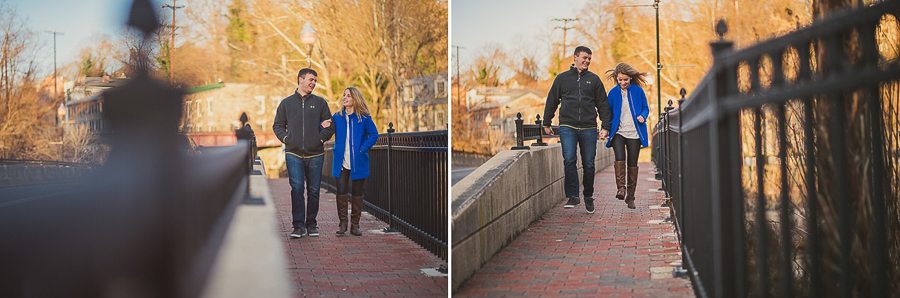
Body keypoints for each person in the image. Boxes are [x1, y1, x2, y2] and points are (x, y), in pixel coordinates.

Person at [542, 46, 613, 214]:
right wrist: (546, 122)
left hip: (589, 127)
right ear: (575, 57)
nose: (587, 61)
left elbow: (602, 104)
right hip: (568, 126)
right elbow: (552, 100)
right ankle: (573, 196)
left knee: (589, 164)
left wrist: (605, 127)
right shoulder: (562, 79)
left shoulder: (594, 80)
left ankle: (588, 196)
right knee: (569, 159)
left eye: (589, 58)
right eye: (584, 57)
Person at [273, 68, 334, 238]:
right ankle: (298, 226)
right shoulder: (286, 103)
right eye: (311, 80)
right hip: (293, 153)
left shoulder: (321, 103)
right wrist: (286, 139)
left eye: (315, 81)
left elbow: (330, 126)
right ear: (301, 79)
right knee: (297, 189)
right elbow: (277, 125)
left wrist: (319, 140)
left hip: (316, 154)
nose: (313, 83)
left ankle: (311, 224)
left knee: (314, 191)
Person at [321, 87, 378, 236]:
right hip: (341, 161)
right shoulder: (337, 116)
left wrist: (362, 149)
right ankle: (343, 224)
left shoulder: (364, 118)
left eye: (348, 96)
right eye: (344, 95)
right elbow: (328, 129)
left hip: (358, 161)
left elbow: (374, 134)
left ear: (355, 99)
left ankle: (355, 225)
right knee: (341, 192)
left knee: (357, 193)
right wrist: (322, 125)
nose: (344, 98)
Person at [604, 62, 650, 209]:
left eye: (625, 79)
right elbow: (607, 113)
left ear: (630, 78)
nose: (623, 82)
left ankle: (630, 196)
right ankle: (621, 189)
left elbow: (645, 107)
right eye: (620, 80)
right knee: (619, 158)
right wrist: (604, 129)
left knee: (632, 163)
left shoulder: (638, 91)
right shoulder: (612, 93)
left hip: (635, 132)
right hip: (618, 132)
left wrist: (643, 116)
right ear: (617, 79)